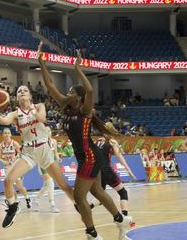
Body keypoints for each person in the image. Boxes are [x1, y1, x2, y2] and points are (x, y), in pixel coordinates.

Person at [38, 42, 132, 240]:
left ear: (79, 98)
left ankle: (92, 234)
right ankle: (121, 219)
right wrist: (41, 63)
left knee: (79, 197)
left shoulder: (85, 110)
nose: (68, 93)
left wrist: (78, 68)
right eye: (69, 91)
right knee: (97, 191)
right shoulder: (65, 106)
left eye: (72, 92)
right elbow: (50, 85)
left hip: (90, 155)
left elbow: (89, 90)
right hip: (84, 156)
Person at [0, 84, 74, 229]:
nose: (21, 92)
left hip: (45, 149)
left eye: (25, 90)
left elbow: (42, 118)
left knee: (63, 185)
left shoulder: (39, 106)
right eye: (19, 91)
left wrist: (32, 111)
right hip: (29, 151)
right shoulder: (16, 114)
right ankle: (13, 207)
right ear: (16, 97)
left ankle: (78, 204)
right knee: (8, 180)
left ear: (30, 95)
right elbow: (5, 121)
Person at [91, 125, 136, 217]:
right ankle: (125, 217)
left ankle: (87, 207)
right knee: (123, 192)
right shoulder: (112, 142)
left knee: (102, 197)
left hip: (96, 171)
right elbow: (119, 156)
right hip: (106, 170)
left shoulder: (97, 141)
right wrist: (128, 170)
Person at [0, 128, 31, 209]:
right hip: (6, 167)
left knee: (19, 186)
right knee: (10, 186)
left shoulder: (14, 143)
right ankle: (15, 202)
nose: (7, 134)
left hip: (15, 167)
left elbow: (21, 154)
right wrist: (4, 162)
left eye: (8, 133)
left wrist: (15, 160)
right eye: (5, 133)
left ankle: (27, 198)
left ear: (10, 134)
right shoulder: (0, 146)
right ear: (2, 135)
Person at [32, 127, 61, 213]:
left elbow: (55, 153)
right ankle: (52, 204)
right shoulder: (40, 142)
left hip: (51, 164)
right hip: (42, 165)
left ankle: (36, 200)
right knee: (50, 183)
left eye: (49, 131)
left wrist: (58, 159)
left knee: (46, 186)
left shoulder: (54, 141)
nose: (48, 132)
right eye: (46, 131)